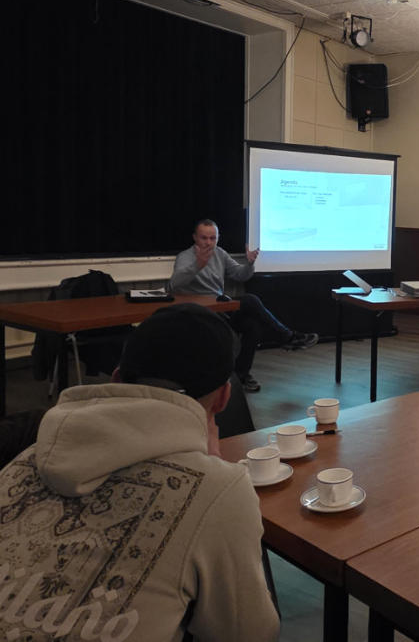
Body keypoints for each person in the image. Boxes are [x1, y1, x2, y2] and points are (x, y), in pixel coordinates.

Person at [0, 303, 280, 642]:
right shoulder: (217, 489)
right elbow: (249, 633)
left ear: (117, 378)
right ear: (223, 397)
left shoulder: (24, 457)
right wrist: (214, 470)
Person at [170, 219, 318, 392]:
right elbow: (174, 285)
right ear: (195, 238)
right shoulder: (185, 257)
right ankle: (287, 337)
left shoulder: (220, 254)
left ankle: (241, 375)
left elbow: (240, 275)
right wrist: (197, 265)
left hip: (220, 309)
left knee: (252, 325)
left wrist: (249, 264)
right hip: (199, 313)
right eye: (204, 238)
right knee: (250, 300)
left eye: (213, 238)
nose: (208, 243)